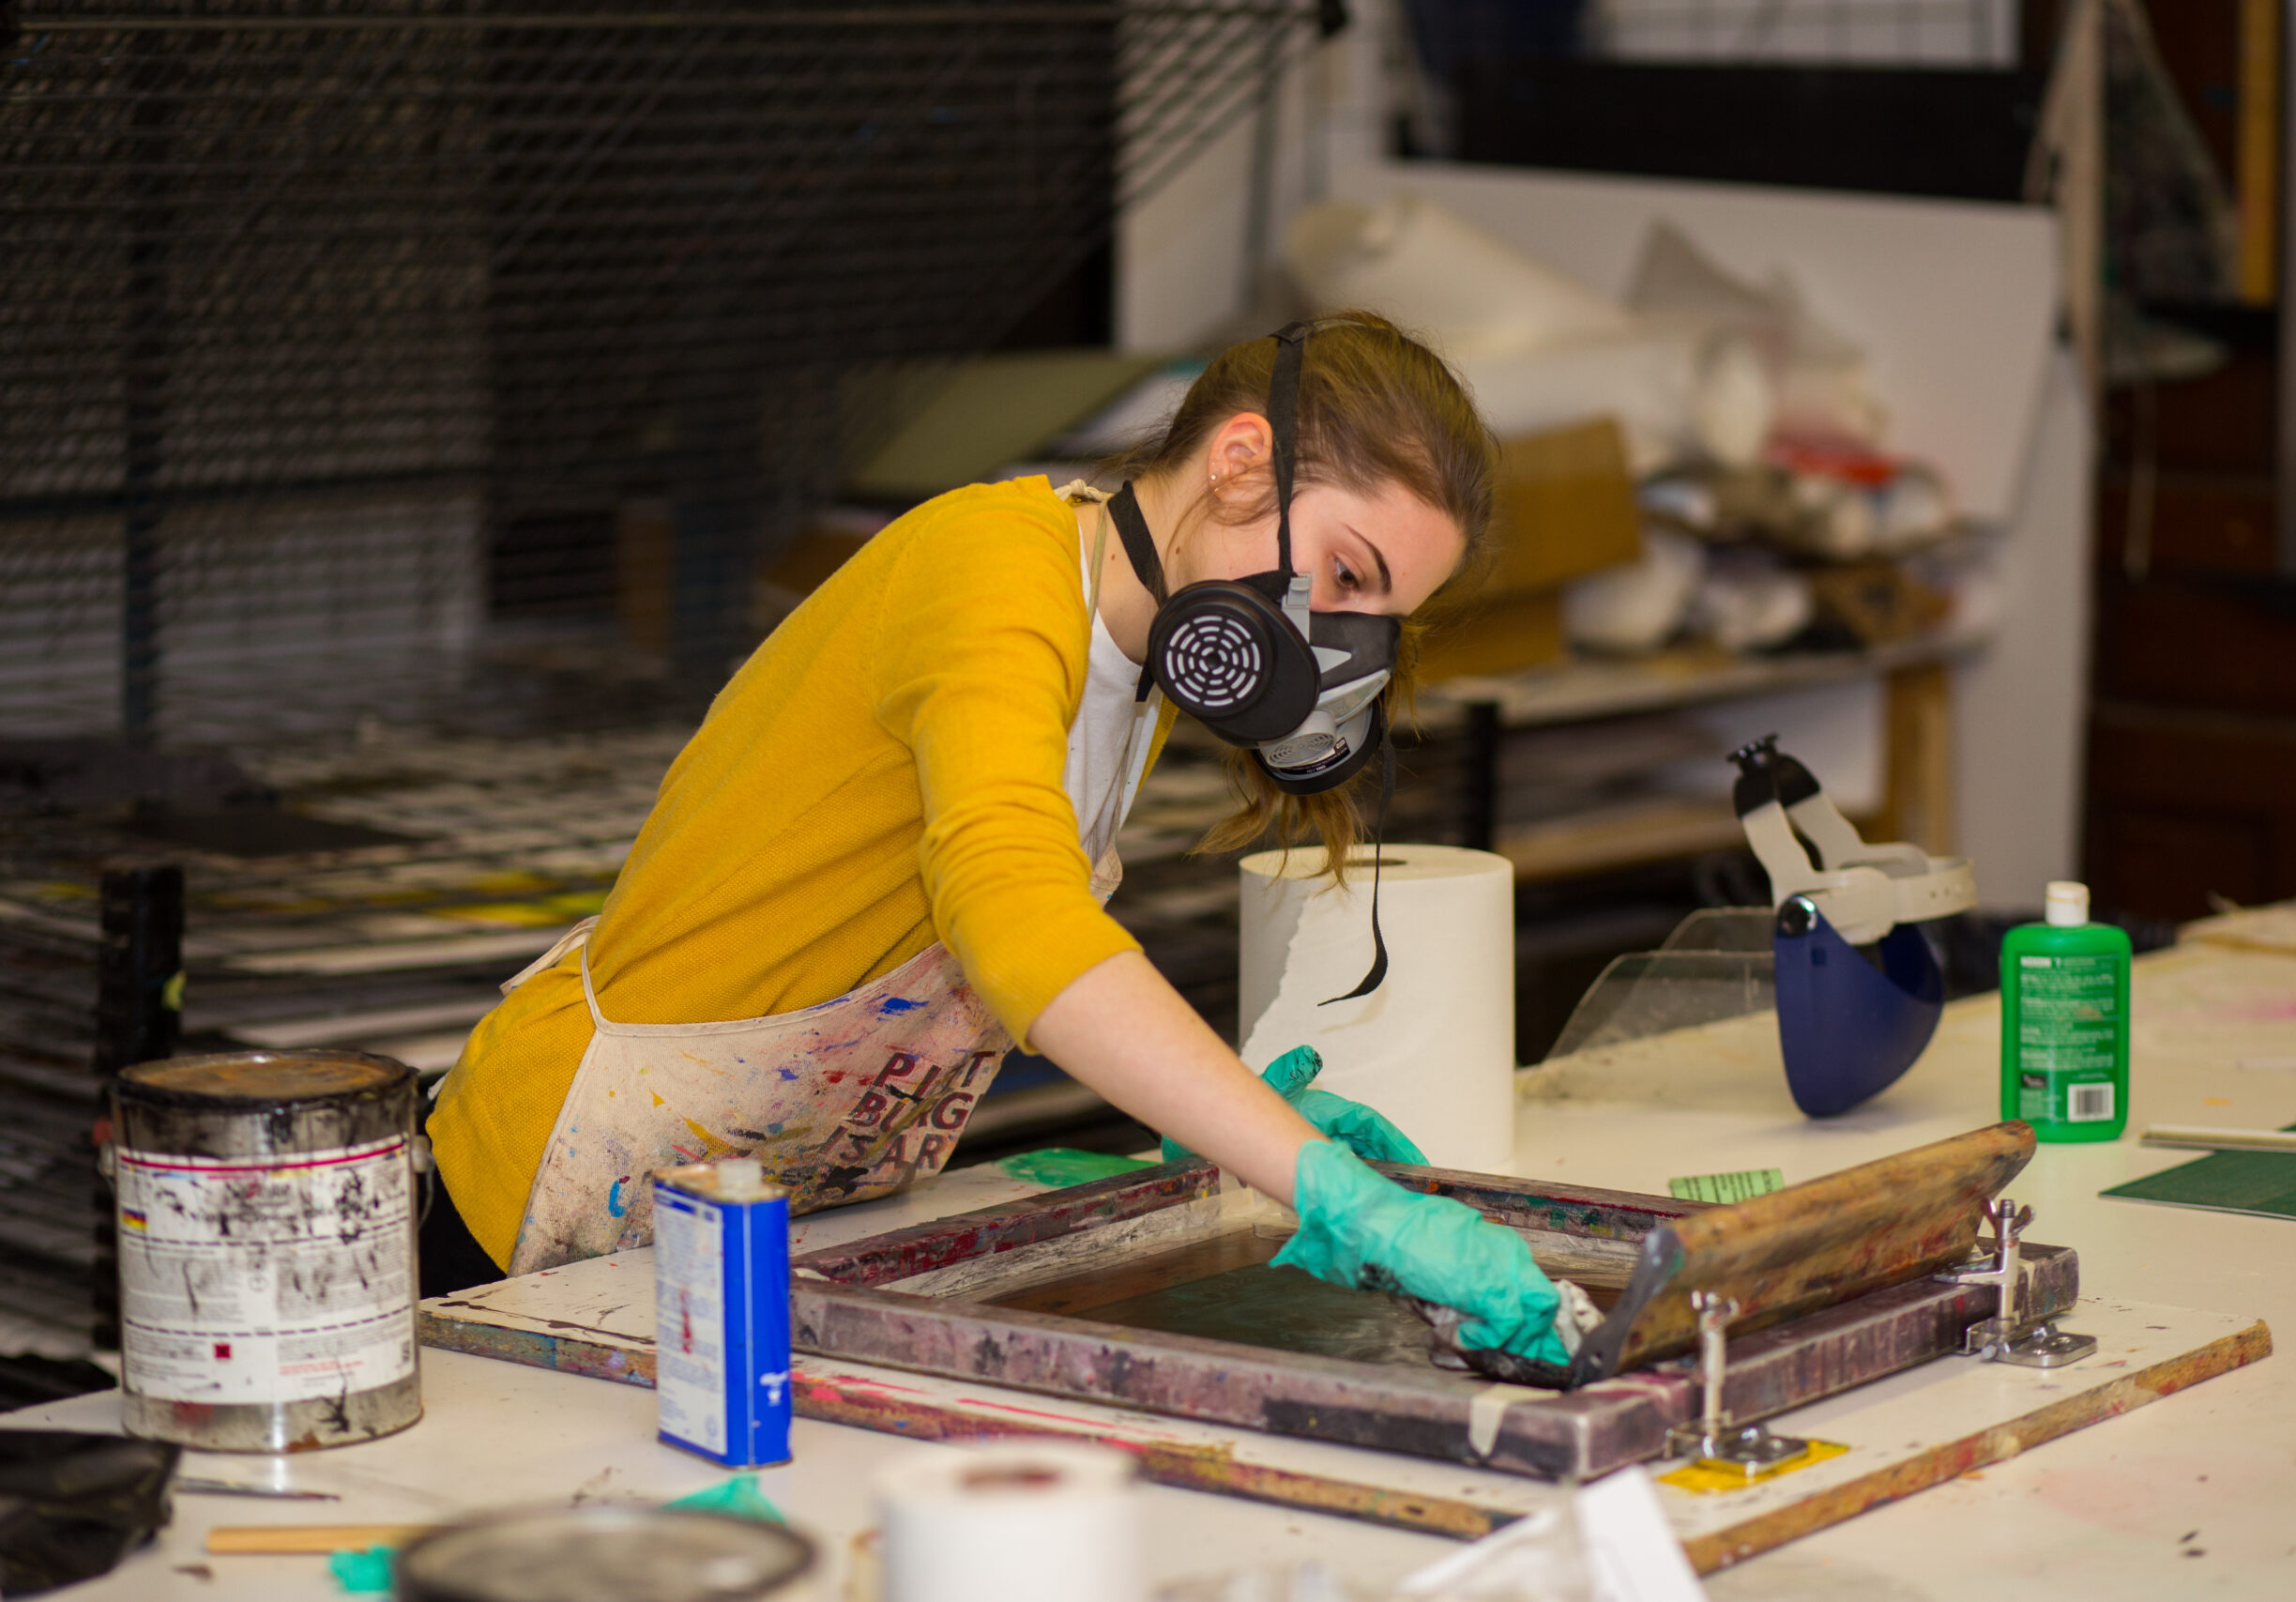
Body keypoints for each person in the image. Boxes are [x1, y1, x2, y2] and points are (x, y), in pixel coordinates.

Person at [422, 314, 1572, 1370]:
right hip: (550, 1196)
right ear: (1239, 465)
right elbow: (1013, 913)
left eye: (1371, 615)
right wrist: (1307, 1176)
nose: (1332, 637)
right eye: (1343, 571)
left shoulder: (1126, 662)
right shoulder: (989, 571)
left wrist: (1221, 1122)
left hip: (748, 1205)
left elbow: (976, 951)